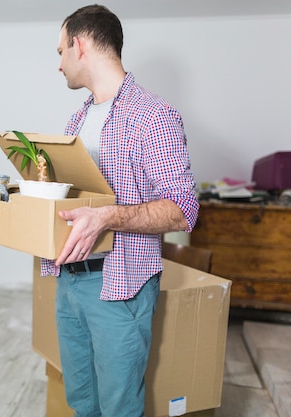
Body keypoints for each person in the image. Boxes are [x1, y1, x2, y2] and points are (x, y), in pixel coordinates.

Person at [43, 5, 199, 417]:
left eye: (60, 51)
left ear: (79, 45)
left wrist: (108, 216)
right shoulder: (76, 121)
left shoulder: (153, 116)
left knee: (118, 409)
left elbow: (183, 211)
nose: (58, 64)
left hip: (119, 287)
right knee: (81, 403)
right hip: (69, 280)